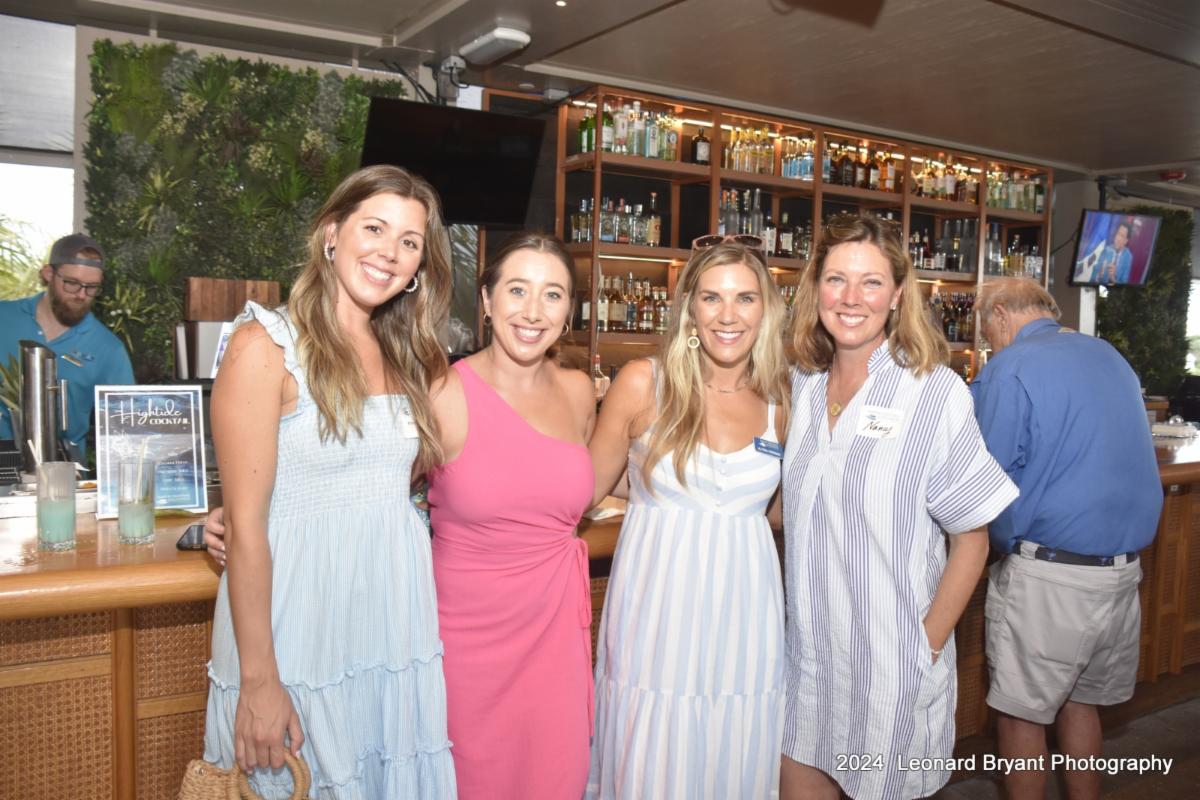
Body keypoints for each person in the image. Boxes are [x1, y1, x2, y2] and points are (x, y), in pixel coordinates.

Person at [203, 165, 456, 798]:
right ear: (331, 234)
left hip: (389, 624)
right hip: (297, 629)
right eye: (375, 228)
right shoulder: (265, 344)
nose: (389, 252)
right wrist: (260, 681)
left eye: (409, 241)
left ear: (419, 266)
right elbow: (249, 526)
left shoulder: (407, 354)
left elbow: (391, 489)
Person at [780, 213, 1017, 800]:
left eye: (871, 282)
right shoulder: (801, 386)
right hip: (807, 664)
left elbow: (973, 539)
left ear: (897, 294)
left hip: (890, 670)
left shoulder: (934, 392)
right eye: (836, 279)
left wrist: (924, 647)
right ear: (815, 288)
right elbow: (794, 507)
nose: (851, 298)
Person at [586, 236, 792, 799]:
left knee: (734, 754)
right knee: (652, 758)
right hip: (657, 617)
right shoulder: (643, 382)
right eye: (712, 297)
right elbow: (585, 488)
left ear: (766, 310)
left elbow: (774, 511)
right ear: (690, 309)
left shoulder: (780, 401)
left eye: (745, 298)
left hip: (746, 619)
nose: (728, 315)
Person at [971, 277, 1162, 800]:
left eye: (987, 331)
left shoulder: (1010, 367)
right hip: (1121, 575)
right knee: (1080, 704)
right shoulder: (1109, 356)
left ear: (1001, 315)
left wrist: (993, 549)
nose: (989, 343)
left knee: (1020, 717)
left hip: (1050, 578)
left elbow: (985, 480)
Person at [426, 232, 596, 798]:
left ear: (569, 311)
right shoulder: (441, 392)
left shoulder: (579, 392)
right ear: (487, 300)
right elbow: (375, 493)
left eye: (553, 295)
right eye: (517, 290)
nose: (533, 311)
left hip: (556, 641)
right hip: (466, 646)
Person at [0, 233, 133, 458]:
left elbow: (126, 427)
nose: (81, 295)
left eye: (92, 287)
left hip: (64, 471)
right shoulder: (4, 318)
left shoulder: (109, 349)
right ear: (48, 274)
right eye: (71, 283)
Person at [1075, 219, 1133, 285]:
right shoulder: (1106, 250)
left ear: (1126, 241)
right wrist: (1099, 275)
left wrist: (1113, 278)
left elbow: (1124, 284)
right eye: (1118, 233)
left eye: (1122, 236)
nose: (1118, 238)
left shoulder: (1128, 257)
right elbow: (1093, 278)